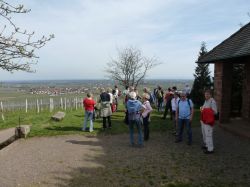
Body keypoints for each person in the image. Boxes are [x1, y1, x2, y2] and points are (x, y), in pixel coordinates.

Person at [200, 89, 218, 154]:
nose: (206, 95)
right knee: (204, 134)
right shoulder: (206, 101)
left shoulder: (212, 101)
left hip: (208, 121)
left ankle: (210, 149)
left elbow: (215, 112)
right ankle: (207, 145)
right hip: (204, 120)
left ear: (211, 95)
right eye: (205, 94)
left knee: (208, 135)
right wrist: (202, 108)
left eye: (208, 94)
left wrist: (205, 110)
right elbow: (204, 108)